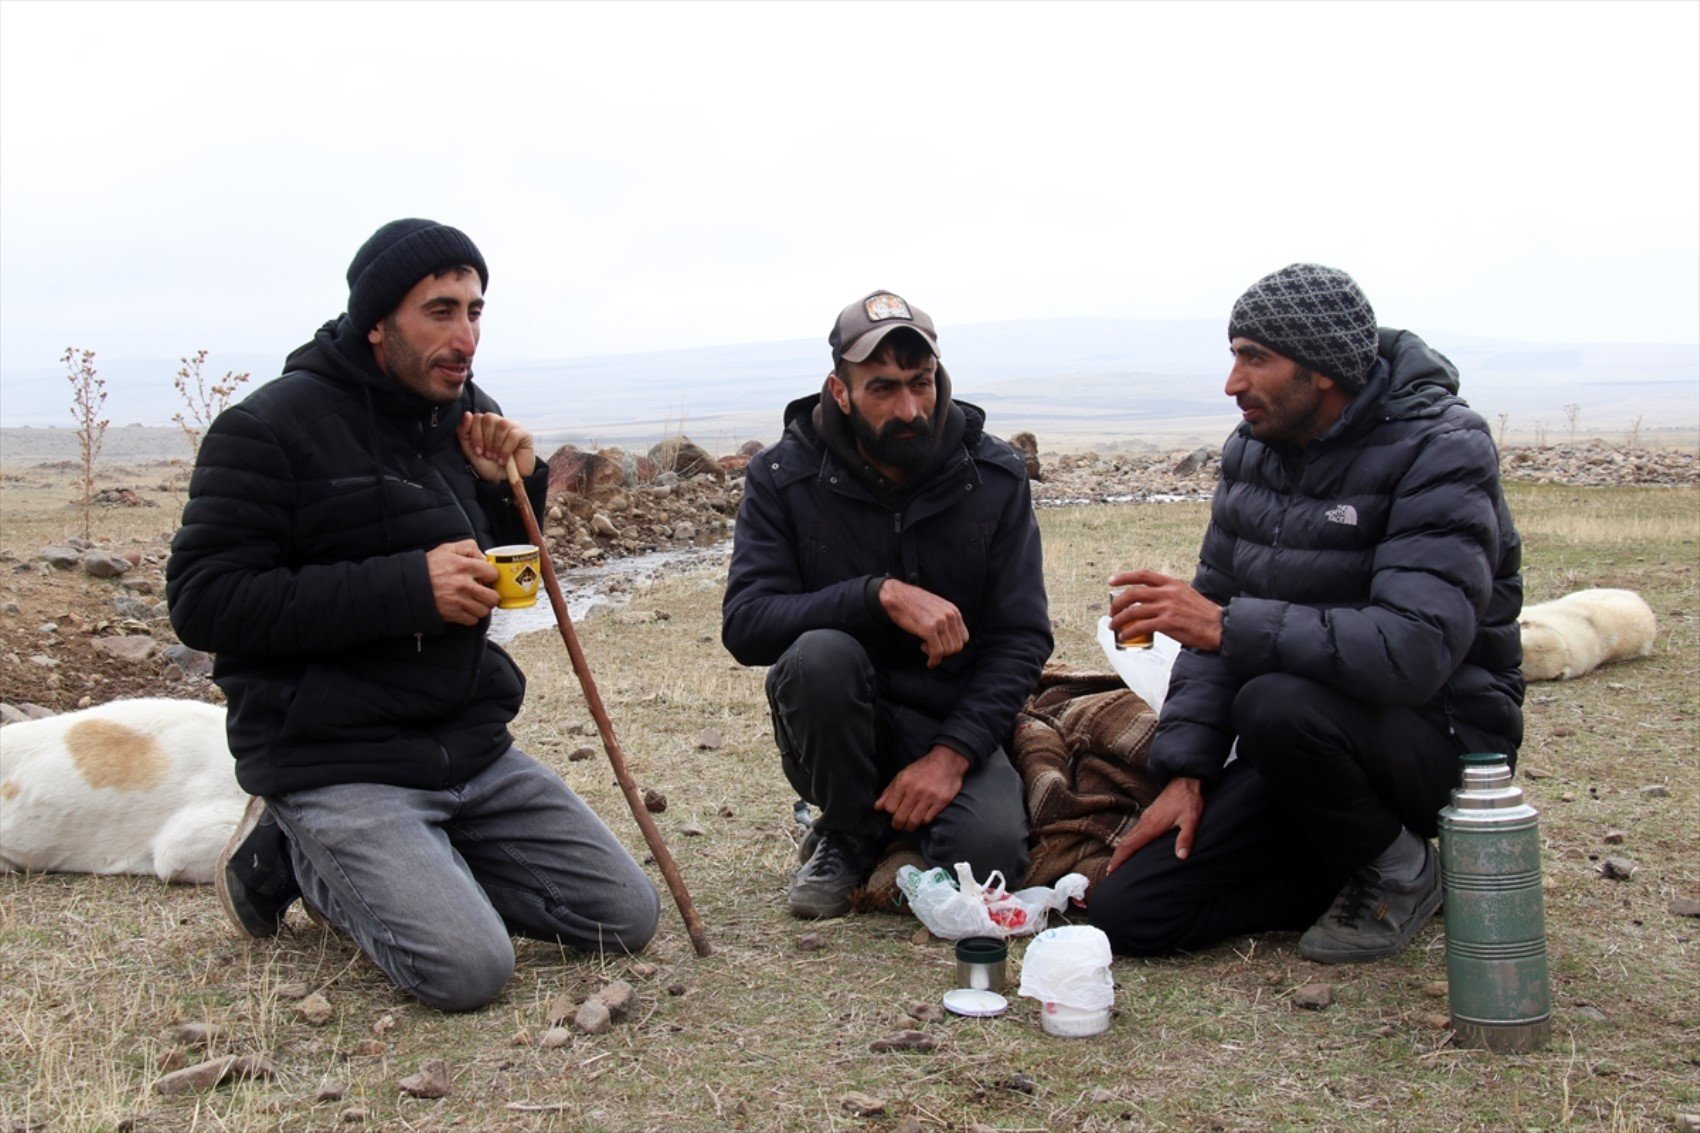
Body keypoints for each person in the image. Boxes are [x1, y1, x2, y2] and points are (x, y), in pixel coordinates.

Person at [167, 219, 659, 1011]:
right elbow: (203, 600)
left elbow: (498, 570)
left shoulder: (465, 417)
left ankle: (420, 860)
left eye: (475, 310)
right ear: (376, 321)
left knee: (623, 918)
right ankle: (294, 854)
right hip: (336, 754)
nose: (465, 336)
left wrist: (512, 487)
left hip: (466, 745)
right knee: (468, 970)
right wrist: (405, 588)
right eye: (440, 310)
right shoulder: (267, 429)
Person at [1089, 264, 1523, 964]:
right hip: (1301, 744)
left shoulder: (1440, 446)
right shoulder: (1252, 453)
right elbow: (1213, 615)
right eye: (1233, 354)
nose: (1233, 382)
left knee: (1274, 700)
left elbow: (1415, 651)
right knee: (1129, 912)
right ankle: (1349, 870)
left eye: (1254, 357)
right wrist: (1186, 772)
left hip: (1441, 737)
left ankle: (1405, 871)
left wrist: (1226, 626)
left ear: (1323, 370)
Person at [722, 291, 1053, 919]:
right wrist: (877, 596)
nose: (909, 409)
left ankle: (913, 809)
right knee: (821, 655)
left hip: (950, 720)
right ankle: (847, 828)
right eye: (883, 389)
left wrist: (952, 757)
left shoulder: (994, 475)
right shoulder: (782, 476)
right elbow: (746, 626)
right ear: (840, 391)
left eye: (921, 383)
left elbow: (1022, 637)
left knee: (985, 862)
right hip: (838, 721)